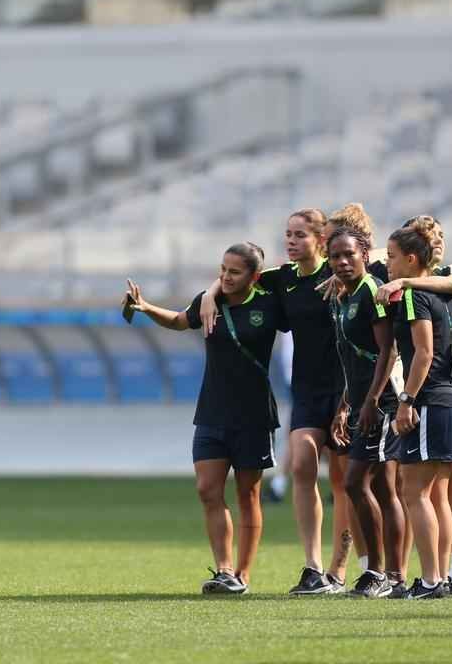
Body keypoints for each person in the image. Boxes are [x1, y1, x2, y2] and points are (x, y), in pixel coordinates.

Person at [200, 209, 354, 595]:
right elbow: (238, 276)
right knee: (301, 465)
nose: (291, 241)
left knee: (346, 481)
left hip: (346, 389)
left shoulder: (340, 273)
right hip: (306, 390)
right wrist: (209, 295)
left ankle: (344, 569)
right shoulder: (282, 278)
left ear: (320, 240)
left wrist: (348, 272)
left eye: (300, 235)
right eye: (288, 234)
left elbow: (379, 267)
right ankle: (313, 567)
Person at [124, 243, 285, 595]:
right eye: (223, 270)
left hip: (254, 414)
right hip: (212, 410)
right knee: (207, 490)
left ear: (254, 276)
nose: (226, 277)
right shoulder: (209, 300)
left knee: (248, 496)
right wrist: (146, 307)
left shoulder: (269, 303)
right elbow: (179, 321)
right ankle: (224, 569)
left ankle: (242, 574)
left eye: (235, 272)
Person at [325, 226, 406, 598]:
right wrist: (346, 404)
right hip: (361, 403)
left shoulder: (372, 290)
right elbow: (354, 358)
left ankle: (377, 572)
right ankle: (394, 575)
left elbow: (388, 350)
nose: (342, 261)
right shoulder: (343, 295)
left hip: (381, 402)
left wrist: (372, 401)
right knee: (384, 489)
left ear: (364, 254)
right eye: (335, 256)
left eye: (349, 254)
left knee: (355, 482)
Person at [386, 225, 452, 600]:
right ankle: (446, 578)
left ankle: (431, 580)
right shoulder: (448, 294)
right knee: (439, 493)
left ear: (411, 259)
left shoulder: (412, 296)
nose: (388, 264)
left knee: (415, 491)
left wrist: (406, 400)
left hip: (430, 399)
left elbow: (423, 353)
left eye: (391, 257)